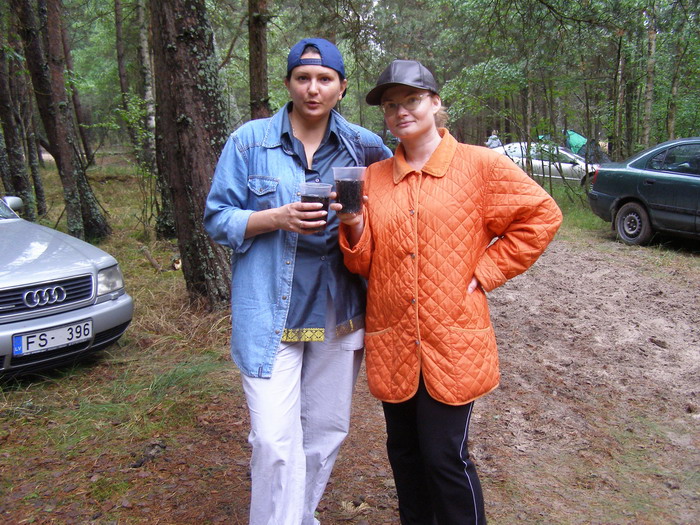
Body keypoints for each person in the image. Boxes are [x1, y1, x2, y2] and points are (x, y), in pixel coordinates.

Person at [335, 59, 562, 524]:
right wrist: (354, 226)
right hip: (394, 337)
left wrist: (490, 268)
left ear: (435, 102)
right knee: (404, 452)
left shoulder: (481, 165)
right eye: (391, 105)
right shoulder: (373, 177)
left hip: (452, 336)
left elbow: (542, 216)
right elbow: (362, 263)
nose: (401, 111)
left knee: (444, 456)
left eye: (412, 100)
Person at [204, 38, 392, 525]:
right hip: (271, 309)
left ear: (341, 87)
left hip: (338, 309)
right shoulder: (249, 142)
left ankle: (297, 516)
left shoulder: (367, 147)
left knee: (325, 432)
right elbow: (217, 218)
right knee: (272, 439)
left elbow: (400, 210)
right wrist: (275, 218)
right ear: (287, 83)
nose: (313, 89)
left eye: (325, 79)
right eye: (303, 78)